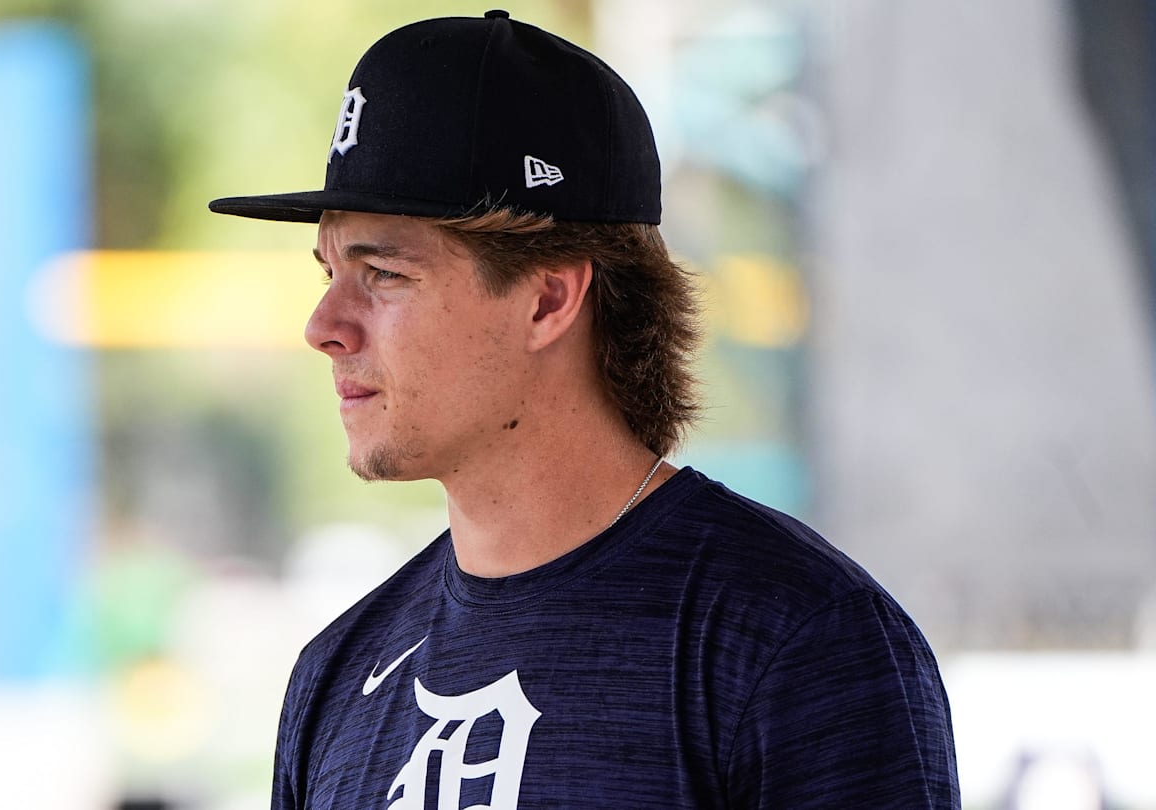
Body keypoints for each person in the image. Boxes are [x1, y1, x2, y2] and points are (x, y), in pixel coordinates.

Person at [210, 10, 959, 809]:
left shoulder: (793, 641)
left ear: (549, 297)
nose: (324, 327)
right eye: (327, 271)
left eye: (385, 273)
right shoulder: (338, 671)